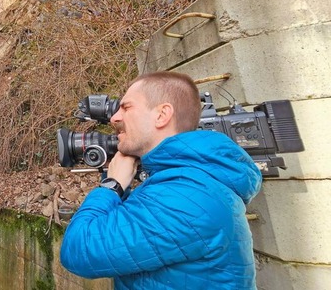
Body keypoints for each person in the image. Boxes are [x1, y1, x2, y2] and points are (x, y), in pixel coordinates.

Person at [60, 71, 262, 289]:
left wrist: (112, 186)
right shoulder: (184, 182)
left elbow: (79, 249)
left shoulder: (185, 198)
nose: (114, 118)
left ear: (162, 115)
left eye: (126, 107)